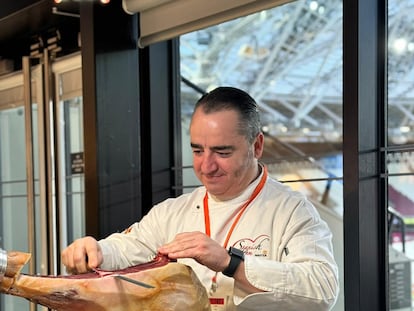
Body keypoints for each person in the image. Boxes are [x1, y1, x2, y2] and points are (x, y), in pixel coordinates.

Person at [62, 86, 339, 310]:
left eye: (222, 152)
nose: (206, 166)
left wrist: (232, 264)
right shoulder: (173, 211)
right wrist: (95, 250)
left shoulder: (292, 211)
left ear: (256, 146)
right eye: (197, 151)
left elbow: (323, 289)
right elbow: (130, 247)